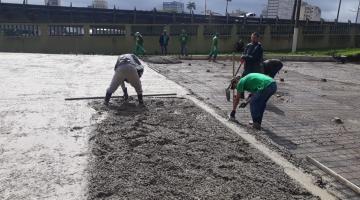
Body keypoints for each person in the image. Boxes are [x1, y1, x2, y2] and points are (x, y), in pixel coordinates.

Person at [239, 32, 264, 98]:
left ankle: (253, 95)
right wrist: (242, 57)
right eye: (252, 37)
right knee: (242, 80)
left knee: (253, 82)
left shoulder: (259, 47)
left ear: (258, 38)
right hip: (247, 67)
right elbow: (244, 53)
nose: (253, 39)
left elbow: (254, 58)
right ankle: (241, 94)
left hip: (255, 68)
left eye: (255, 38)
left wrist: (244, 57)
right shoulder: (248, 45)